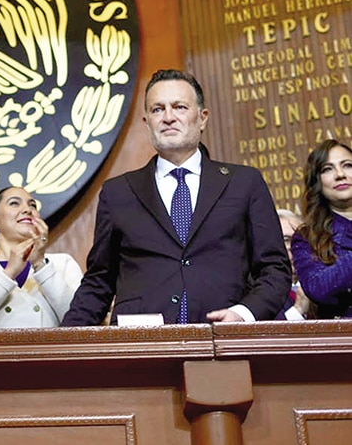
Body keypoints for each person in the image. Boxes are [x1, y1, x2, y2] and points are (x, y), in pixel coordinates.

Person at [62, 69, 290, 326]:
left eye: (179, 107)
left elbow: (275, 269)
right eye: (158, 109)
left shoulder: (244, 183)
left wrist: (244, 313)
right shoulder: (118, 192)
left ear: (202, 118)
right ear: (147, 122)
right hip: (141, 346)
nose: (168, 117)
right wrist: (59, 348)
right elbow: (99, 280)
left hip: (223, 340)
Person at [0, 188, 84, 329]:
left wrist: (40, 264)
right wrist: (9, 273)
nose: (27, 209)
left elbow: (81, 323)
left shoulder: (62, 263)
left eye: (32, 205)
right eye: (14, 203)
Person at [290, 139, 352, 319]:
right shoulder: (307, 237)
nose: (340, 174)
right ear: (317, 182)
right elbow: (317, 288)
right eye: (327, 169)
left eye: (347, 165)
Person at [276, 209, 310, 320]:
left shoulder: (319, 284)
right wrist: (298, 310)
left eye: (301, 240)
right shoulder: (258, 293)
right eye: (286, 239)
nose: (294, 247)